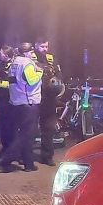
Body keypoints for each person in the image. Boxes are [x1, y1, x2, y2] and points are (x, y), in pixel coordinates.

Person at [0, 42, 44, 173]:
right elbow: (31, 80)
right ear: (25, 52)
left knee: (26, 135)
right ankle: (7, 158)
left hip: (17, 102)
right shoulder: (27, 63)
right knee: (27, 134)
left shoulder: (14, 63)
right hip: (28, 103)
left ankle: (28, 163)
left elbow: (13, 81)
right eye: (30, 52)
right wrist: (40, 72)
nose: (32, 54)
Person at [34, 38, 64, 166]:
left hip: (49, 99)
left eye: (46, 46)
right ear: (36, 46)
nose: (45, 49)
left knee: (49, 128)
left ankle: (47, 156)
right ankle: (24, 155)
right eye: (42, 46)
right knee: (29, 128)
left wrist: (57, 84)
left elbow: (59, 75)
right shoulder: (31, 58)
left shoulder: (51, 59)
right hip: (34, 97)